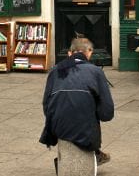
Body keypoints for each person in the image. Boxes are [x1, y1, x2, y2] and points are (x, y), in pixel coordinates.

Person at [39, 37, 114, 167]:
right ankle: (95, 153)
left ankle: (91, 154)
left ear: (69, 53)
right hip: (86, 129)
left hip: (57, 127)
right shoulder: (96, 71)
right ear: (89, 52)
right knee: (88, 110)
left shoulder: (55, 71)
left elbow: (46, 104)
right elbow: (107, 112)